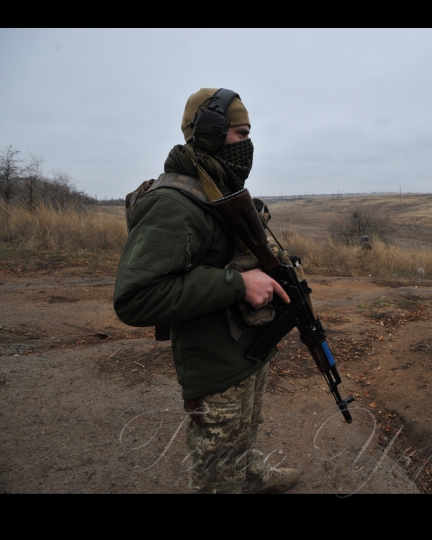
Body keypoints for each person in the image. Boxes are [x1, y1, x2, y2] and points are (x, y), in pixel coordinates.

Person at [113, 88, 300, 494]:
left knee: (243, 436)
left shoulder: (220, 191)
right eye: (240, 133)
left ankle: (251, 473)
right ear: (210, 133)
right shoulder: (172, 204)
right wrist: (237, 284)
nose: (247, 145)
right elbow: (136, 296)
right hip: (214, 366)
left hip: (246, 352)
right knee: (219, 475)